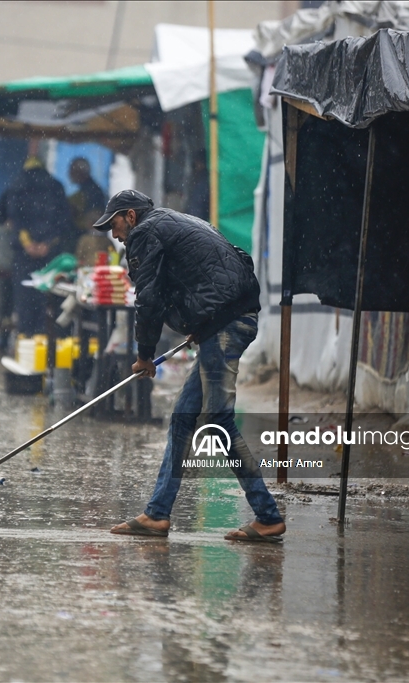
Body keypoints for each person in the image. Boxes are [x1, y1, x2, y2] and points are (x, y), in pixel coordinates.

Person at [95, 189, 285, 543]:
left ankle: (268, 516)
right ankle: (157, 514)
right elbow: (232, 261)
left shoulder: (145, 233)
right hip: (224, 322)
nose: (115, 234)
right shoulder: (174, 221)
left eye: (116, 224)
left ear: (131, 216)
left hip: (225, 325)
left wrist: (145, 355)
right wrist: (202, 319)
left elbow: (148, 297)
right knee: (184, 420)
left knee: (217, 421)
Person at [0, 156, 72, 336]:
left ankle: (26, 338)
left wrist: (27, 243)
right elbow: (65, 221)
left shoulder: (15, 186)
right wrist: (47, 243)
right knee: (49, 297)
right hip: (50, 255)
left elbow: (1, 215)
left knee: (25, 297)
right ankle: (46, 341)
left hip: (23, 254)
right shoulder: (56, 186)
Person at [66, 157, 110, 267]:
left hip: (89, 240)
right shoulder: (88, 190)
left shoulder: (92, 192)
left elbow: (93, 215)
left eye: (73, 171)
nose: (70, 174)